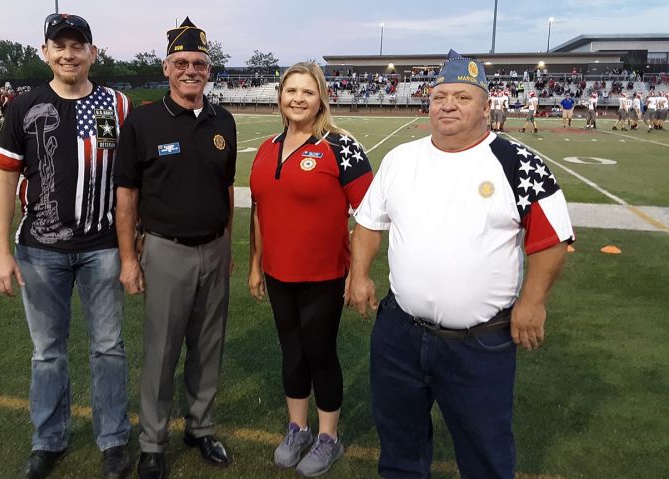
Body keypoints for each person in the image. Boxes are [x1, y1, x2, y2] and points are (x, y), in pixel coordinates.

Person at [347, 49, 575, 479]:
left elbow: (551, 239)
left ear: (487, 106)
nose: (448, 104)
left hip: (478, 344)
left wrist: (533, 301)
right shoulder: (401, 159)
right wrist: (359, 276)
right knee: (399, 450)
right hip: (399, 335)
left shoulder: (517, 163)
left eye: (462, 97)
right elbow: (369, 223)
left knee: (485, 455)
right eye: (440, 96)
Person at [0, 13, 133, 479]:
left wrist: (135, 245)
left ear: (93, 52)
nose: (69, 53)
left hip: (103, 245)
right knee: (47, 351)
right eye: (60, 45)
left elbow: (135, 181)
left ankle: (113, 439)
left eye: (78, 45)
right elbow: (4, 180)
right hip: (40, 249)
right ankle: (48, 439)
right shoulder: (24, 105)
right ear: (45, 51)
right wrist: (0, 252)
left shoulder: (117, 105)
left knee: (108, 347)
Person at [114, 17, 236, 479]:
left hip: (215, 248)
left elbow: (226, 188)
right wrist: (129, 258)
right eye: (182, 62)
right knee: (161, 351)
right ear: (166, 68)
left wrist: (228, 245)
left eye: (200, 63)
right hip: (165, 250)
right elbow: (126, 194)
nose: (191, 70)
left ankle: (200, 427)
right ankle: (153, 441)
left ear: (209, 70)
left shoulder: (223, 120)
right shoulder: (144, 120)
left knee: (208, 347)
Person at [248, 62, 373, 477]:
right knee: (292, 351)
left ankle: (328, 437)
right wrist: (254, 265)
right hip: (278, 272)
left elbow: (370, 214)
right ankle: (297, 428)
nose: (298, 98)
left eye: (307, 91)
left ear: (321, 98)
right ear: (280, 96)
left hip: (324, 275)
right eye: (291, 91)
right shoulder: (267, 147)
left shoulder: (340, 145)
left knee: (320, 352)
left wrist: (358, 273)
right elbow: (261, 212)